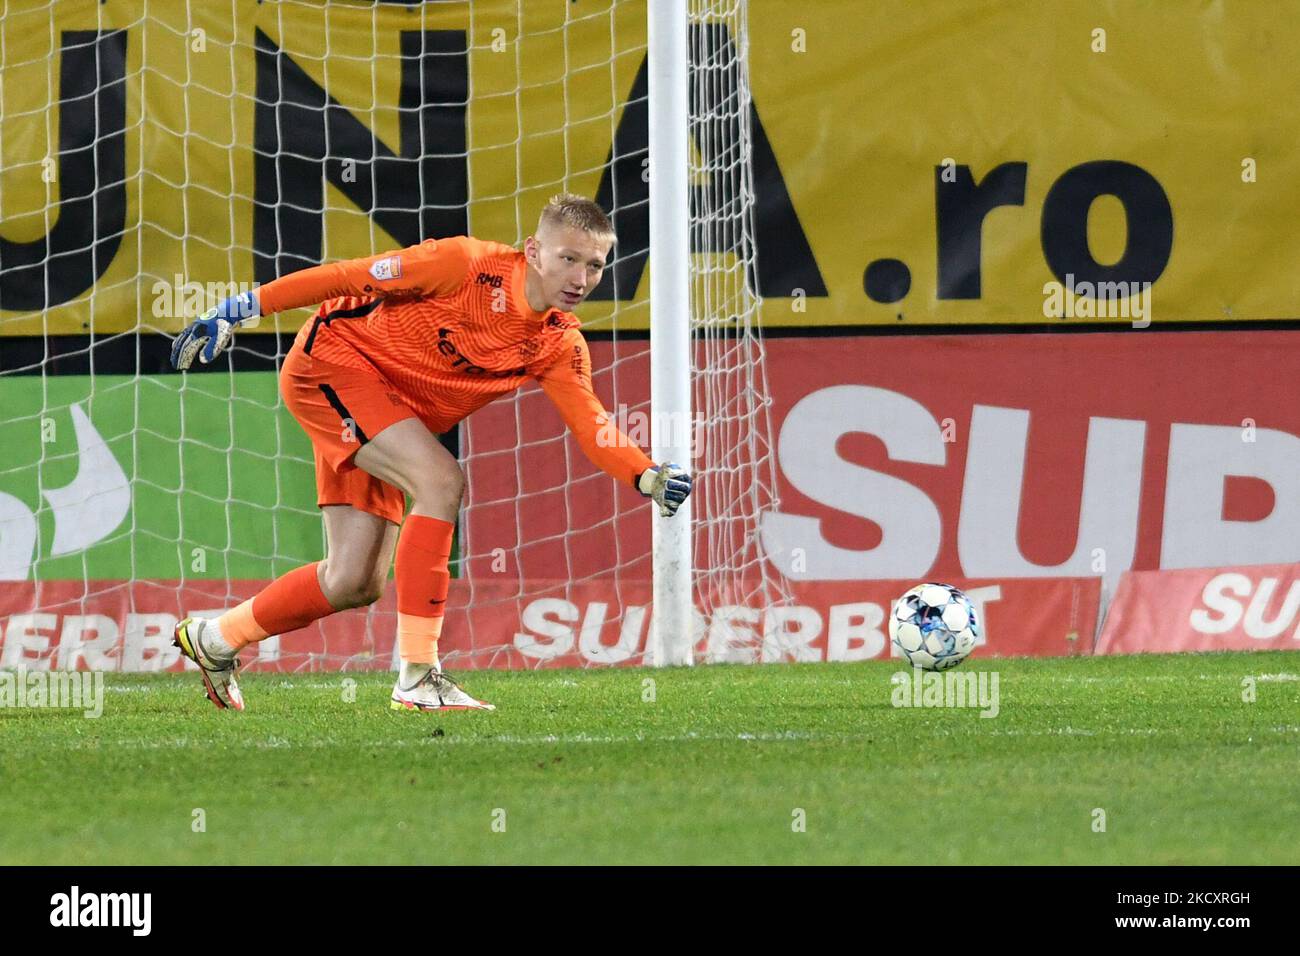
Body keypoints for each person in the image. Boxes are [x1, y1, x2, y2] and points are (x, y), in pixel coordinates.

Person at [169, 194, 692, 712]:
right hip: (333, 364)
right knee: (440, 482)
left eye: (595, 265)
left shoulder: (557, 343)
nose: (581, 278)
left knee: (353, 581)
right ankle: (419, 675)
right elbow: (349, 276)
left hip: (391, 416)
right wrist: (242, 309)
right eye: (569, 259)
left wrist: (645, 476)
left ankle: (214, 639)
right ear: (534, 250)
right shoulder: (463, 265)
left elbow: (592, 423)